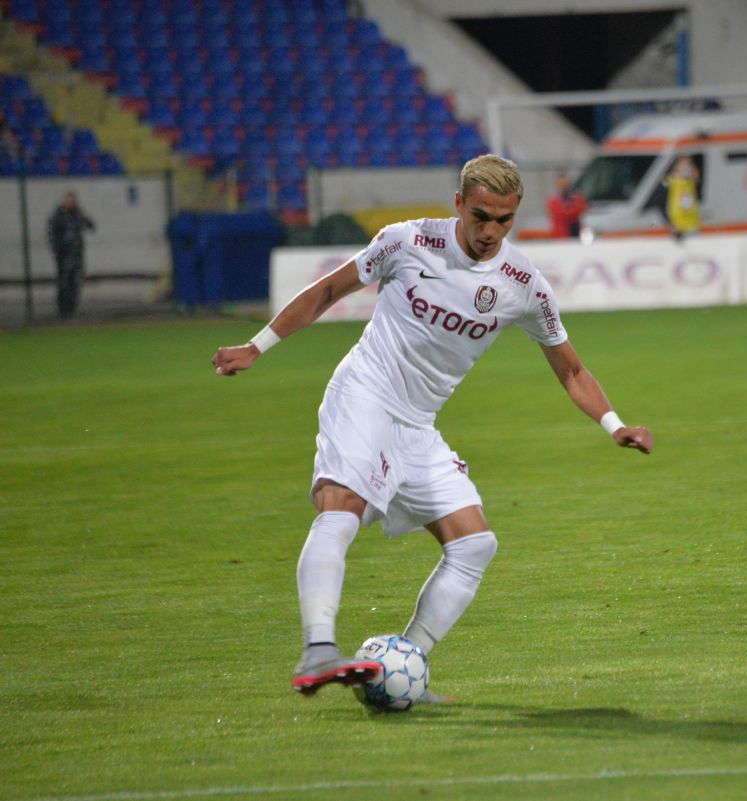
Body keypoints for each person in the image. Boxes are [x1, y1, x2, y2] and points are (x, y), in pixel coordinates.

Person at [211, 154, 653, 700]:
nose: (492, 232)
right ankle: (318, 649)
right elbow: (327, 291)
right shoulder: (408, 242)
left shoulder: (522, 285)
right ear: (459, 204)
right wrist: (257, 347)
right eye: (482, 216)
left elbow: (572, 369)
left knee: (475, 543)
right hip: (365, 394)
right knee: (341, 506)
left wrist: (614, 424)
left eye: (505, 220)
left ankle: (407, 665)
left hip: (418, 423)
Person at [46, 191, 95, 318]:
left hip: (77, 255)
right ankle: (63, 310)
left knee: (75, 282)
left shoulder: (78, 215)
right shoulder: (58, 215)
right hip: (63, 255)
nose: (72, 203)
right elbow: (51, 234)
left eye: (73, 201)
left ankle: (72, 308)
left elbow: (91, 226)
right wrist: (56, 250)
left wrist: (83, 215)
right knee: (64, 283)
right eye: (69, 200)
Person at [663, 155, 701, 240]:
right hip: (677, 228)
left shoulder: (691, 182)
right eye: (683, 165)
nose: (686, 168)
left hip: (692, 227)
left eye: (689, 165)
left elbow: (697, 180)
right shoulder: (672, 181)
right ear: (676, 167)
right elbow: (663, 185)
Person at [545, 172, 587, 238]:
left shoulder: (576, 197)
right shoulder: (553, 200)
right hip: (561, 234)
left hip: (576, 231)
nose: (564, 186)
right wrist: (571, 212)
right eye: (562, 184)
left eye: (566, 183)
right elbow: (560, 214)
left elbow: (582, 208)